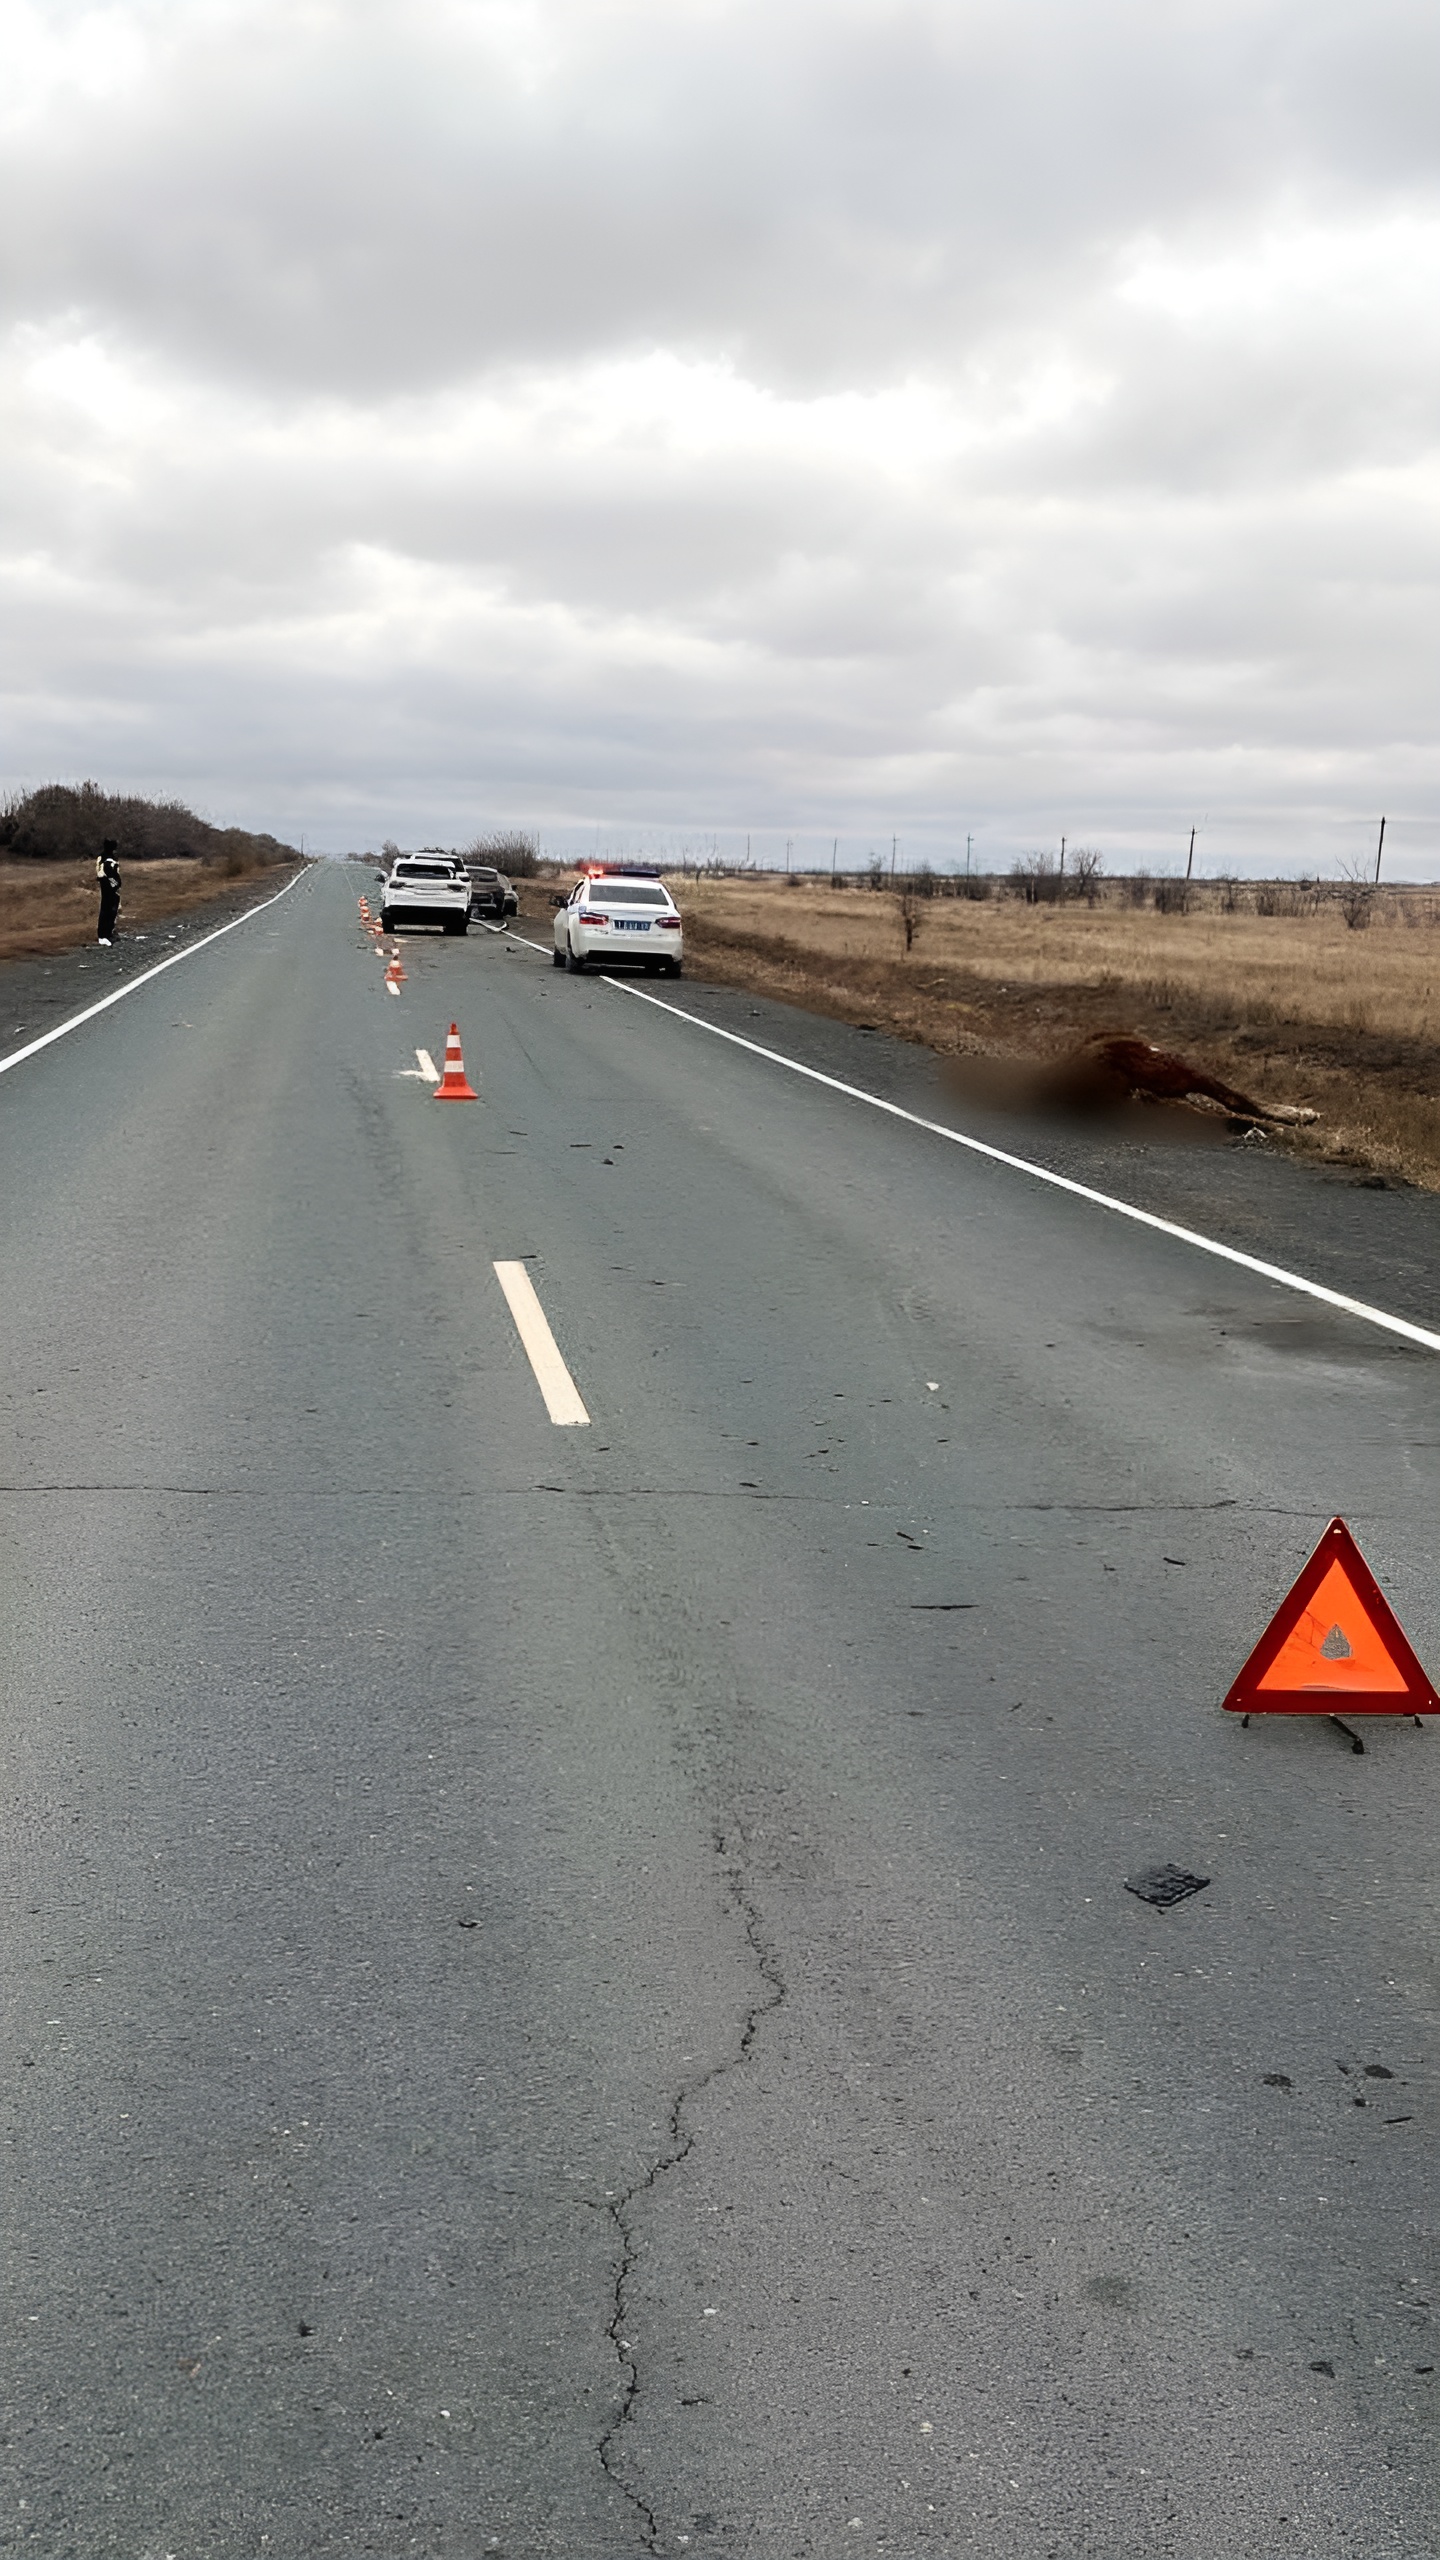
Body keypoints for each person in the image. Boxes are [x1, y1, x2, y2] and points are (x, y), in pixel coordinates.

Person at [96, 840, 121, 945]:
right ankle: (104, 935)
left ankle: (107, 933)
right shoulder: (109, 860)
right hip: (108, 886)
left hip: (105, 885)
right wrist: (116, 885)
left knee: (109, 910)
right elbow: (110, 874)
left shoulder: (101, 857)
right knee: (109, 910)